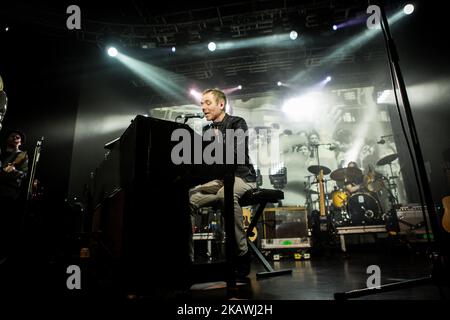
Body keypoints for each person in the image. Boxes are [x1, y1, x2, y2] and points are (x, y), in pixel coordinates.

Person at [189, 89, 257, 278]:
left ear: (221, 104)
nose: (203, 107)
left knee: (225, 195)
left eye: (207, 103)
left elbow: (239, 156)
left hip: (242, 177)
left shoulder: (237, 123)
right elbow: (204, 163)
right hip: (218, 180)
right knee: (188, 199)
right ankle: (187, 261)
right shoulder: (206, 131)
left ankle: (241, 253)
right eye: (202, 103)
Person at [0, 129, 29, 264]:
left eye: (18, 137)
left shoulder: (22, 156)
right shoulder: (2, 154)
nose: (15, 138)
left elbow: (24, 175)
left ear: (20, 142)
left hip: (8, 194)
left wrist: (14, 171)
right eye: (12, 136)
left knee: (5, 225)